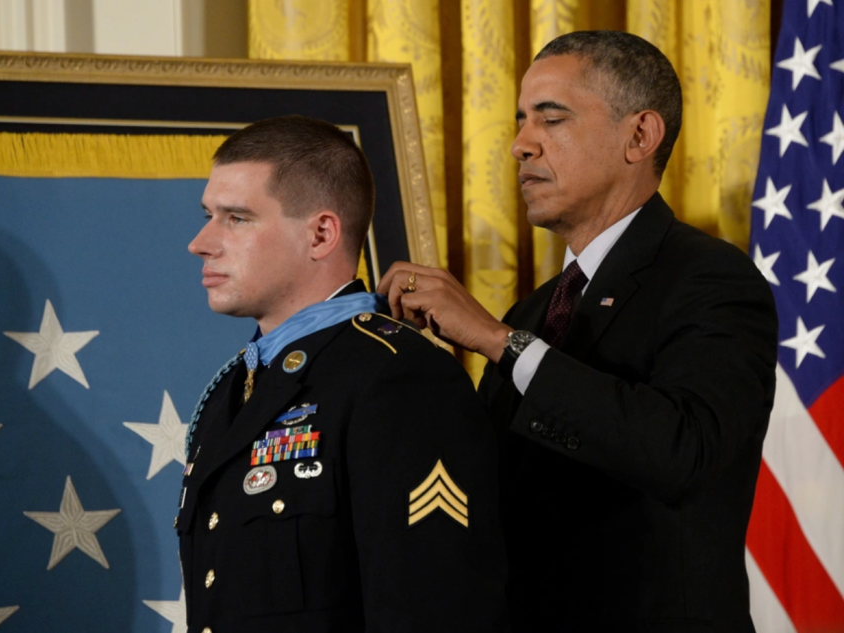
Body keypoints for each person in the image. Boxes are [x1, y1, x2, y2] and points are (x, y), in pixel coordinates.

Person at [378, 31, 778, 632]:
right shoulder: (533, 314)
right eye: (519, 121)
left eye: (552, 119)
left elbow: (682, 452)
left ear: (639, 136)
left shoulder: (710, 278)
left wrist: (499, 343)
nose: (519, 145)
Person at [177, 115, 508, 633]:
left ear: (322, 233)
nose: (201, 242)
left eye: (236, 218)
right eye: (208, 215)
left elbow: (433, 607)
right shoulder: (231, 388)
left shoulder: (398, 378)